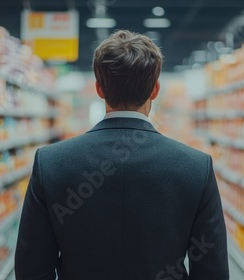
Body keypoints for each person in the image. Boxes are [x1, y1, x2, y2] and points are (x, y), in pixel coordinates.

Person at [15, 30, 229, 280]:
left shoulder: (50, 163)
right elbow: (211, 272)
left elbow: (31, 270)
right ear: (155, 89)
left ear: (99, 88)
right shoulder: (196, 168)